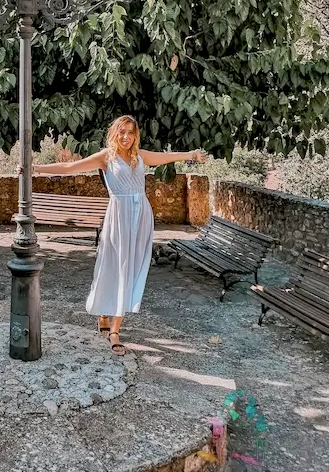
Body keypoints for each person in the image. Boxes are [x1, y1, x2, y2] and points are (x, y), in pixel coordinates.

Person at [17, 115, 208, 356]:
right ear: (114, 133)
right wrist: (33, 169)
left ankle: (115, 330)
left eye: (131, 132)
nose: (126, 137)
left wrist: (191, 155)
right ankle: (104, 313)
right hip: (118, 217)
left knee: (131, 270)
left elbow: (167, 157)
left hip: (141, 218)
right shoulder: (106, 157)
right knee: (112, 267)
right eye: (122, 132)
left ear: (136, 134)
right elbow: (69, 167)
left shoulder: (140, 156)